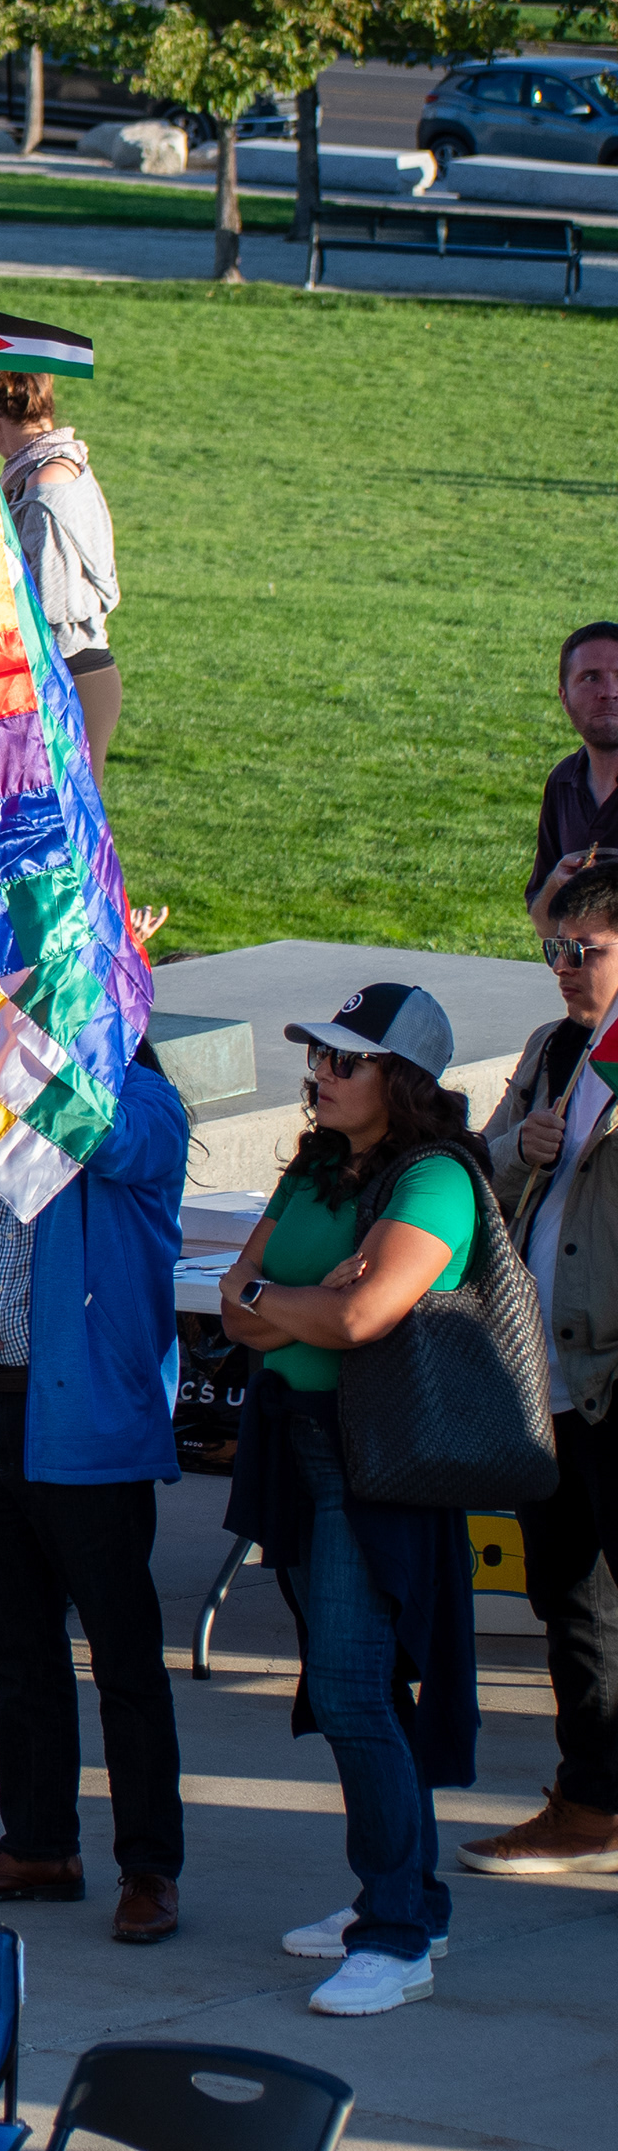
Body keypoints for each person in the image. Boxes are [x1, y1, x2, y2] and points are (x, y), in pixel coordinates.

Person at [212, 985, 495, 2008]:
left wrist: (304, 1304)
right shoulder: (318, 1164)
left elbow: (368, 1314)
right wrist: (305, 1304)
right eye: (321, 1059)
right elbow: (233, 1301)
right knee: (356, 1690)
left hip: (373, 1465)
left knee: (350, 1687)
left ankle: (397, 1932)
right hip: (292, 1447)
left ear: (402, 1079)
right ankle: (404, 1890)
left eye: (347, 1060)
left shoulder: (438, 1179)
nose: (322, 1075)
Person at [0, 1025, 191, 1941]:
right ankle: (37, 1843)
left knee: (124, 1661)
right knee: (18, 1654)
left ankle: (149, 1867)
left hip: (90, 1433)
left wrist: (30, 1070)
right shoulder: (5, 1099)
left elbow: (108, 1141)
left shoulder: (140, 1099)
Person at [471, 852, 618, 1873]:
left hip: (612, 1371)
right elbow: (480, 1174)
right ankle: (592, 1793)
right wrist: (522, 1147)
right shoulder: (552, 1047)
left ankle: (594, 1797)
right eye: (557, 948)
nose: (566, 966)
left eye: (589, 950)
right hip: (545, 1372)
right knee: (568, 1591)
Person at [0, 370, 122, 772]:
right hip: (56, 676)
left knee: (63, 830)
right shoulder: (48, 473)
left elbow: (40, 611)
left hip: (69, 677)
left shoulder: (45, 489)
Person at [532, 622, 618, 900]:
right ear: (564, 698)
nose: (609, 691)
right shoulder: (563, 781)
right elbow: (542, 922)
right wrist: (556, 886)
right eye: (591, 678)